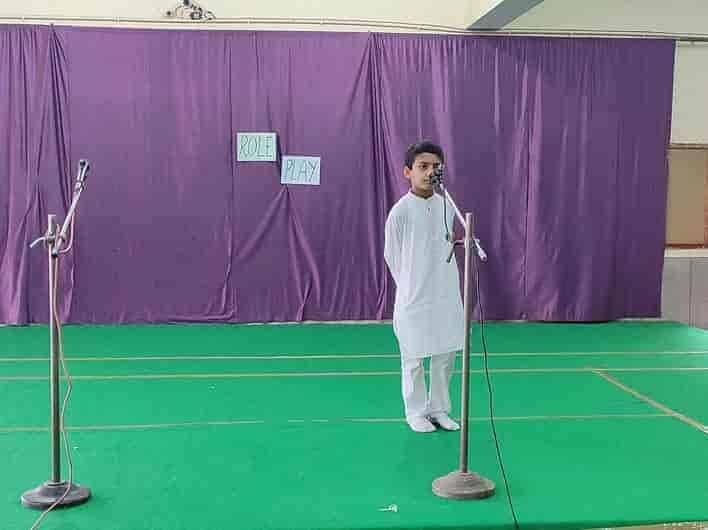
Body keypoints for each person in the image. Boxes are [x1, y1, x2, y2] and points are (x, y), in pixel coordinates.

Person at [384, 141, 464, 433]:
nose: (430, 172)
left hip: (445, 294)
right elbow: (392, 256)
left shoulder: (448, 206)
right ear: (408, 172)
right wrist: (410, 285)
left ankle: (439, 409)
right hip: (414, 296)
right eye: (423, 166)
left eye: (435, 167)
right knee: (414, 357)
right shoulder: (400, 212)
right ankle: (415, 412)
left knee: (445, 354)